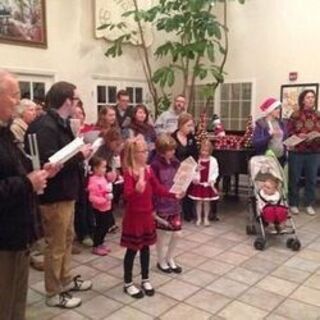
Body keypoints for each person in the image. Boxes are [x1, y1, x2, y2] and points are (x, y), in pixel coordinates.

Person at [26, 81, 93, 309]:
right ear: (67, 101)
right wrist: (80, 155)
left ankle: (64, 280)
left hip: (67, 192)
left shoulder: (60, 123)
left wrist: (81, 149)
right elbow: (49, 162)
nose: (77, 104)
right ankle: (53, 293)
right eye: (75, 100)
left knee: (66, 239)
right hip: (54, 196)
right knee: (55, 245)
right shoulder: (45, 126)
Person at [0, 70, 49, 320]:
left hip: (18, 235)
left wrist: (40, 173)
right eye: (14, 95)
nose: (18, 102)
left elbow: (18, 168)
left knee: (17, 303)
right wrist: (27, 182)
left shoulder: (5, 131)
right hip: (4, 240)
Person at [121, 136, 181, 298]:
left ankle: (145, 279)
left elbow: (158, 188)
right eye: (143, 151)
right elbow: (127, 196)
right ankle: (128, 283)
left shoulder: (148, 170)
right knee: (132, 250)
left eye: (147, 150)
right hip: (134, 217)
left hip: (147, 215)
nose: (147, 153)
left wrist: (173, 194)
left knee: (146, 248)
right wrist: (137, 190)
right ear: (134, 154)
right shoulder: (129, 172)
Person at [151, 134, 183, 274]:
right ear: (162, 150)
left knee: (177, 234)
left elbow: (182, 178)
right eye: (170, 150)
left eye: (173, 149)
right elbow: (154, 187)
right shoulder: (155, 165)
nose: (173, 152)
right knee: (161, 235)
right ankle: (160, 260)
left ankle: (170, 258)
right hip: (161, 205)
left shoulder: (175, 162)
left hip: (174, 203)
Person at [287, 90, 320, 216]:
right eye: (308, 97)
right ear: (302, 100)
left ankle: (308, 204)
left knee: (311, 179)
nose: (311, 99)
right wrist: (298, 135)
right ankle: (293, 203)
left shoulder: (318, 114)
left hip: (314, 152)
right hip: (297, 152)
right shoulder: (295, 115)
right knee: (294, 179)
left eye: (313, 97)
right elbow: (288, 132)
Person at [172, 113, 198, 221]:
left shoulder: (191, 138)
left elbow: (195, 153)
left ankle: (188, 213)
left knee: (189, 187)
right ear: (181, 125)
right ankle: (175, 212)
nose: (191, 128)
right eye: (188, 125)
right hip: (175, 167)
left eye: (192, 125)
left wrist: (192, 166)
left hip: (188, 167)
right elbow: (171, 154)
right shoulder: (172, 137)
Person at [189, 139, 219, 226]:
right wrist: (195, 176)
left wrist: (212, 179)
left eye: (206, 151)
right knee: (198, 202)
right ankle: (198, 218)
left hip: (208, 185)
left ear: (210, 151)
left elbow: (215, 171)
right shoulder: (197, 160)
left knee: (206, 202)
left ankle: (206, 218)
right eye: (203, 150)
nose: (204, 153)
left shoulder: (213, 160)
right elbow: (192, 171)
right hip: (199, 184)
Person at [87, 156, 114, 256]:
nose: (105, 169)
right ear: (95, 168)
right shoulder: (93, 181)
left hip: (106, 207)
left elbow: (105, 189)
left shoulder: (102, 178)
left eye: (105, 167)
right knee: (100, 227)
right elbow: (92, 197)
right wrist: (104, 199)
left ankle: (101, 242)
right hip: (99, 208)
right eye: (102, 167)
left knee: (106, 226)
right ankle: (96, 244)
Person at [253, 97, 287, 165]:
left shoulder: (281, 123)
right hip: (266, 159)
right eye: (276, 108)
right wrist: (269, 136)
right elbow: (256, 143)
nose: (279, 110)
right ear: (270, 110)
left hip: (281, 158)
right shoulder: (261, 124)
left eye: (279, 108)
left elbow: (284, 138)